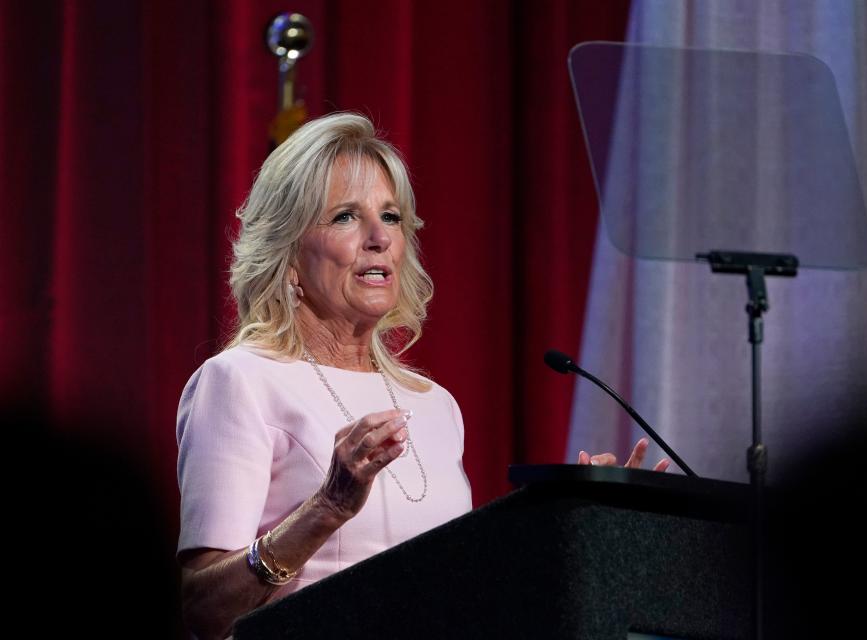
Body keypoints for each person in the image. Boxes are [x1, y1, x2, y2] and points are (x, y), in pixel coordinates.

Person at [175, 112, 667, 640]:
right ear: (288, 253)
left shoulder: (434, 405)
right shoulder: (240, 381)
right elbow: (205, 608)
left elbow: (468, 590)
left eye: (391, 217)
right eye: (344, 216)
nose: (378, 237)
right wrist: (327, 508)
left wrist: (586, 527)